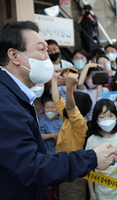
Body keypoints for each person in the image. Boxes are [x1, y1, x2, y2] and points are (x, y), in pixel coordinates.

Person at [0, 21, 117, 199]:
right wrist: (91, 158)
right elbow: (30, 166)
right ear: (14, 56)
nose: (47, 57)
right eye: (41, 50)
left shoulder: (5, 94)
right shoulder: (1, 105)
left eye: (48, 50)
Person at [52, 67, 92, 200]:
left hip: (73, 171)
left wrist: (69, 87)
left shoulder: (80, 123)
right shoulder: (67, 119)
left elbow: (70, 107)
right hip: (63, 167)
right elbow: (56, 98)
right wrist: (54, 79)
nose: (66, 101)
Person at [85, 99, 117, 200]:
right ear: (95, 119)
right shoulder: (91, 140)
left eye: (110, 115)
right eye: (101, 117)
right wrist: (91, 192)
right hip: (101, 193)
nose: (107, 120)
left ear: (116, 116)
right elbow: (89, 169)